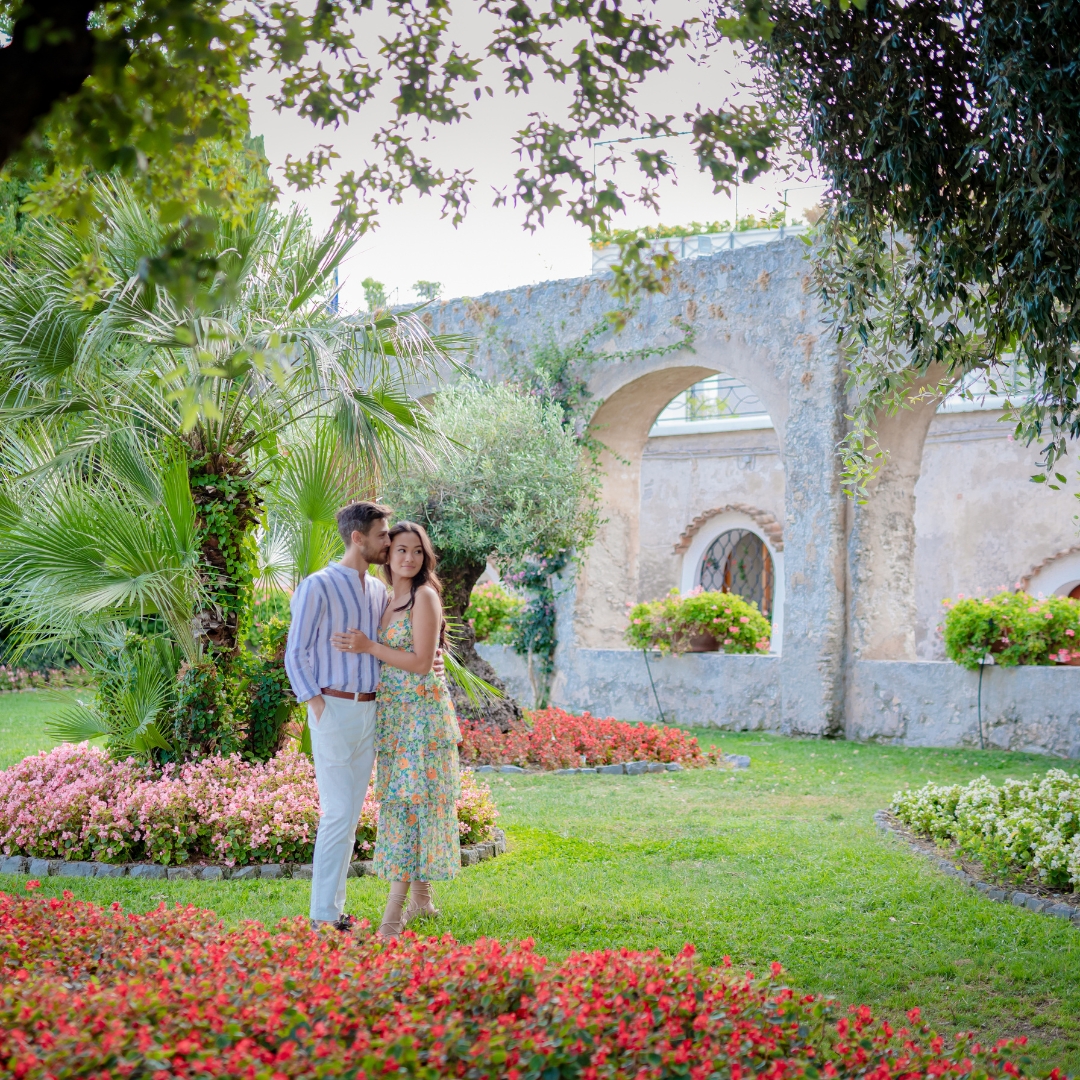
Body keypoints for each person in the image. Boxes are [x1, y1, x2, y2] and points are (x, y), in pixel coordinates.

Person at [284, 501, 444, 931]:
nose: (389, 543)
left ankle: (334, 912)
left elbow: (405, 645)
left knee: (351, 817)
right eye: (382, 536)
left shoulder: (378, 592)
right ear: (358, 538)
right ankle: (322, 916)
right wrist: (317, 705)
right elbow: (295, 652)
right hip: (333, 708)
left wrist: (435, 660)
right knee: (337, 813)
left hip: (375, 710)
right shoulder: (316, 586)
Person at [330, 520, 461, 938]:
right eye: (401, 549)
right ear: (388, 554)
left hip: (421, 718)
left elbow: (423, 662)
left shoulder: (424, 596)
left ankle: (392, 917)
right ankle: (422, 899)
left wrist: (371, 646)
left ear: (425, 558)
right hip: (394, 716)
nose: (409, 558)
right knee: (406, 800)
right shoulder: (387, 600)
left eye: (417, 551)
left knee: (408, 805)